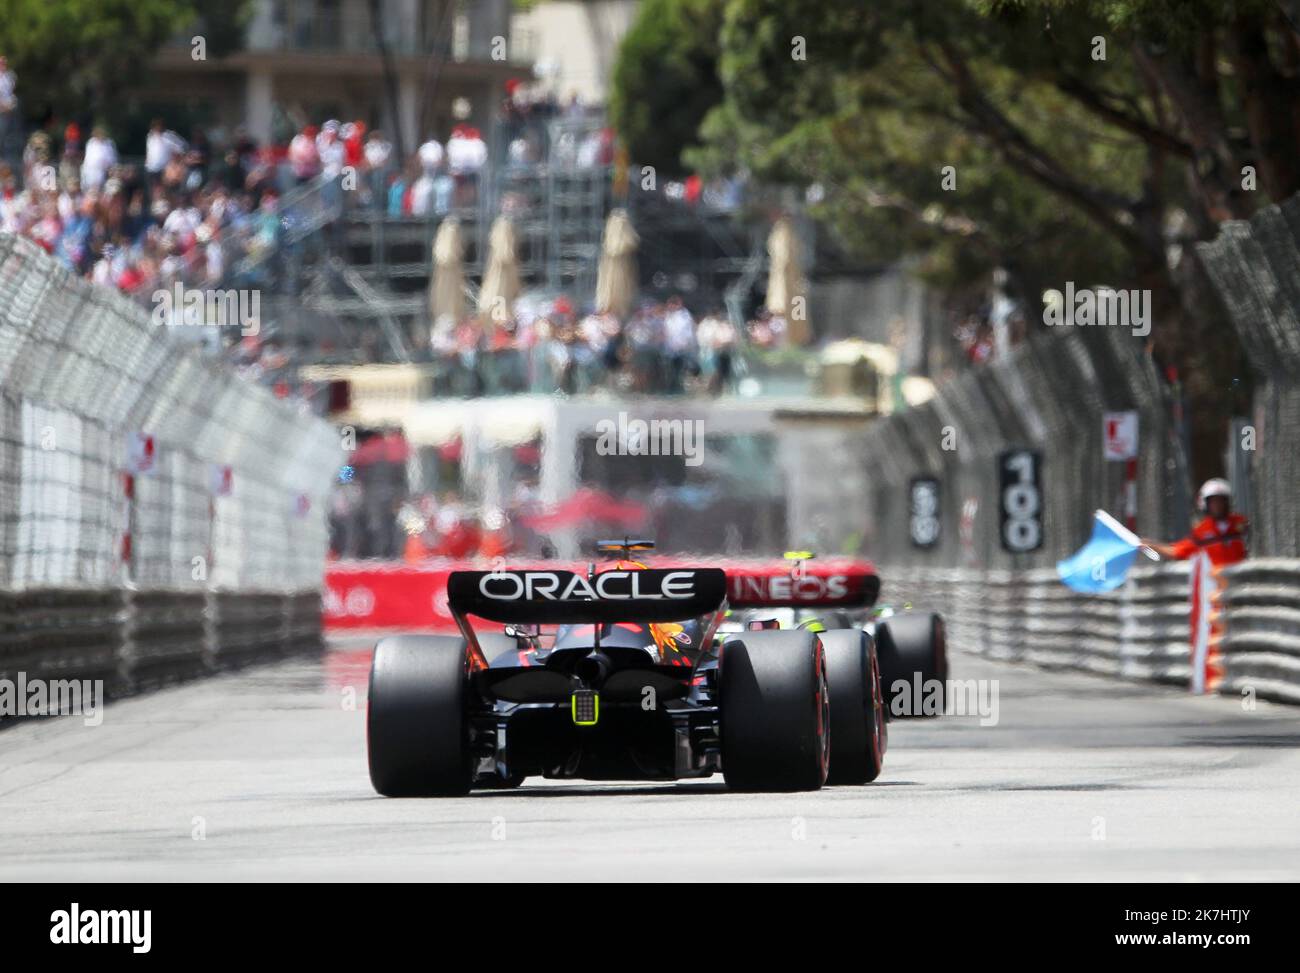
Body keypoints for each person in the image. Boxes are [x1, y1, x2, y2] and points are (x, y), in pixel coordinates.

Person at [1143, 478, 1249, 566]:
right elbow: (1177, 551)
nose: (1218, 505)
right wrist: (1151, 545)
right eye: (1213, 502)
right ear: (1205, 504)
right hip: (1215, 583)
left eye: (1221, 501)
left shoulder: (1241, 522)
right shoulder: (1201, 531)